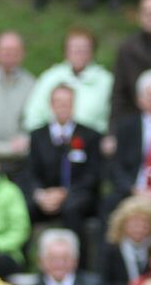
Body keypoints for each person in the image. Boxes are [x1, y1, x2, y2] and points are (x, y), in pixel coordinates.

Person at [22, 84, 102, 233]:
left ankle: (78, 254)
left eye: (67, 102)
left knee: (72, 207)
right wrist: (41, 195)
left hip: (78, 195)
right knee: (25, 207)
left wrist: (65, 193)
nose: (63, 106)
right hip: (45, 196)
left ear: (73, 105)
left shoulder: (90, 135)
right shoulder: (38, 136)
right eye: (58, 102)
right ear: (51, 105)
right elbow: (30, 171)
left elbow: (93, 174)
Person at [23, 29, 114, 135]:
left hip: (92, 143)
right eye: (74, 48)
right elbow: (34, 114)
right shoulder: (50, 77)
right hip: (53, 141)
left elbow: (114, 116)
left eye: (84, 48)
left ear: (93, 51)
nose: (79, 52)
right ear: (65, 51)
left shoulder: (105, 80)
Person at [112, 69, 151, 208]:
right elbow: (116, 167)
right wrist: (134, 190)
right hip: (134, 190)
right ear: (140, 100)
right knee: (109, 205)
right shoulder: (126, 128)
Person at [102, 197, 151, 285]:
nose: (139, 229)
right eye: (134, 224)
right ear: (122, 225)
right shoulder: (112, 251)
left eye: (144, 224)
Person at [111, 0, 151, 128]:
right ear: (140, 16)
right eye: (148, 12)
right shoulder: (127, 49)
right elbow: (118, 93)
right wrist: (114, 130)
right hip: (134, 123)